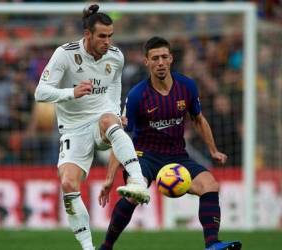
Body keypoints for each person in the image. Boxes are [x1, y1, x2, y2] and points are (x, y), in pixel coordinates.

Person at [98, 37, 242, 250]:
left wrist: (213, 150)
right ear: (146, 62)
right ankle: (106, 247)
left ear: (171, 58)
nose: (160, 62)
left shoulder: (187, 87)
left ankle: (212, 244)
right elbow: (120, 137)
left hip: (176, 156)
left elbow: (198, 119)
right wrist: (110, 177)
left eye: (164, 57)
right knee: (133, 194)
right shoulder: (138, 95)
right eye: (155, 58)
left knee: (210, 185)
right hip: (143, 156)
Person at [34, 4, 149, 250]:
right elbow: (40, 92)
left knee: (110, 121)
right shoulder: (65, 54)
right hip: (72, 129)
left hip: (100, 119)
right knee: (68, 184)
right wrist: (71, 93)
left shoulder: (116, 56)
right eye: (102, 36)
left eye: (110, 36)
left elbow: (115, 85)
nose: (107, 42)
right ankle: (87, 247)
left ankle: (138, 181)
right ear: (88, 35)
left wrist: (116, 112)